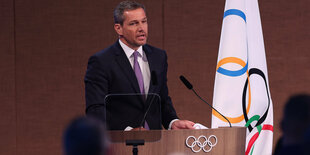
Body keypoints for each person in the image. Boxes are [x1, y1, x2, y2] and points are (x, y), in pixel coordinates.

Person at [84, 1, 194, 130]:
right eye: (134, 23)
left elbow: (161, 99)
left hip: (155, 143)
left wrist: (172, 121)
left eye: (144, 21)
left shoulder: (158, 57)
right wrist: (127, 131)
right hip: (119, 144)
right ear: (118, 28)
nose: (141, 28)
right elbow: (95, 110)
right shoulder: (102, 61)